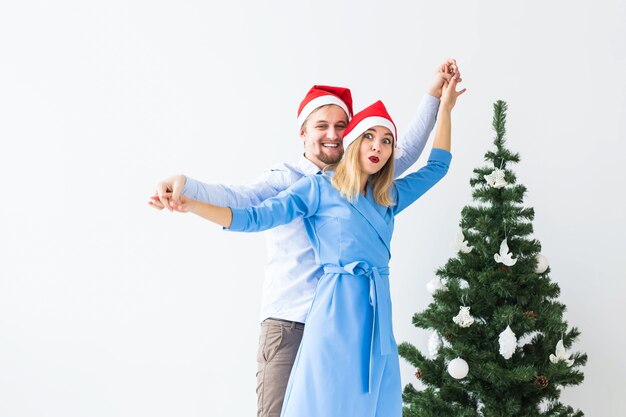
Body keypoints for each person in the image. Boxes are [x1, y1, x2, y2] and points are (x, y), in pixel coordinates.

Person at [149, 60, 462, 417]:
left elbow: (410, 155)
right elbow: (243, 206)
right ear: (303, 132)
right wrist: (187, 192)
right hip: (291, 323)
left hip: (364, 324)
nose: (332, 134)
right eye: (321, 125)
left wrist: (438, 99)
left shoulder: (378, 190)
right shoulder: (297, 183)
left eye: (341, 126)